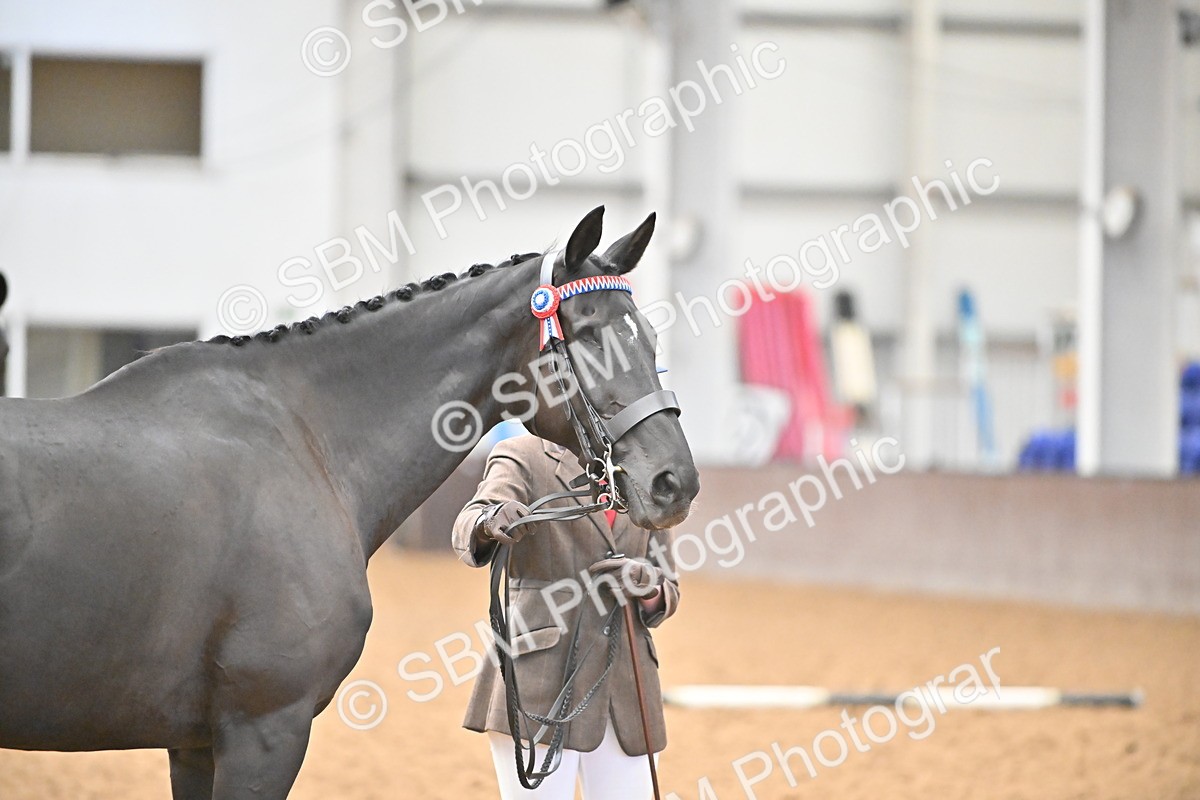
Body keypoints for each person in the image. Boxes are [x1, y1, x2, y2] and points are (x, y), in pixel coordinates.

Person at [453, 434, 679, 799]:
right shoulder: (522, 455)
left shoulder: (647, 468)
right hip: (538, 680)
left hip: (624, 683)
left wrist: (646, 583)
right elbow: (469, 523)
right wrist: (488, 520)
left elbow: (667, 586)